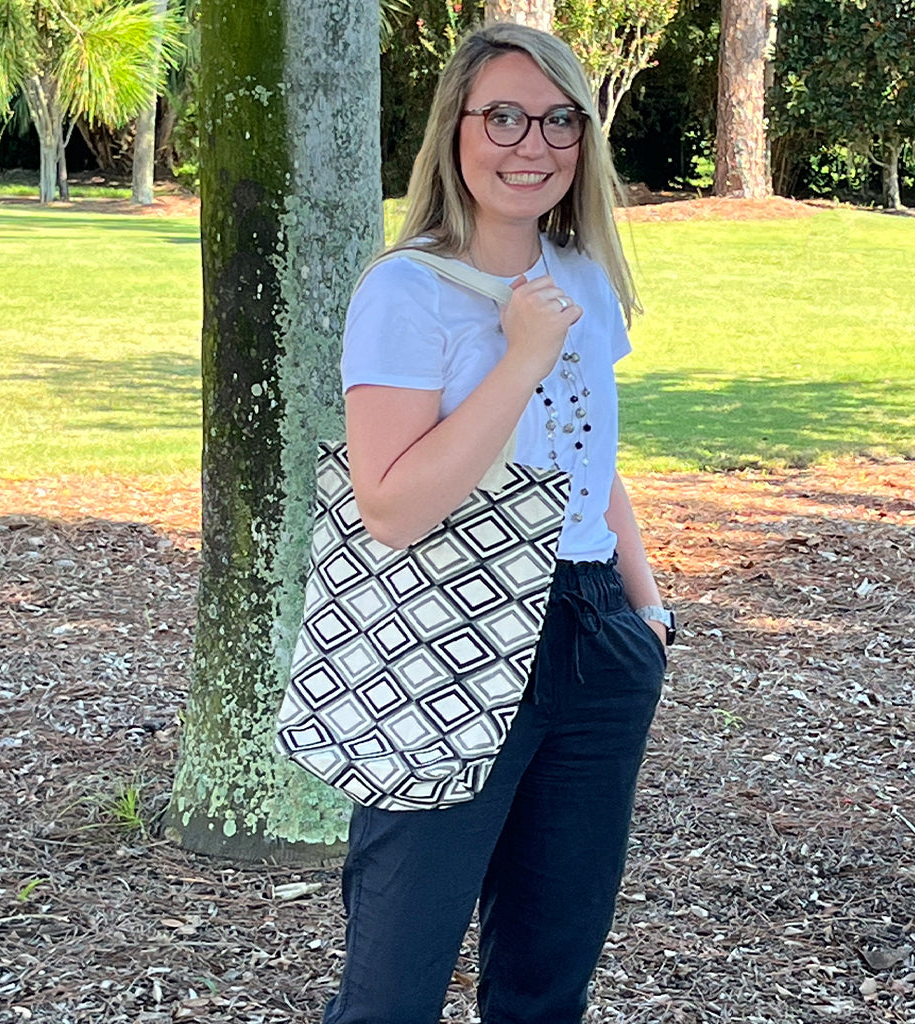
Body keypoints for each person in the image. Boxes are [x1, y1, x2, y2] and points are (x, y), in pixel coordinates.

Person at [324, 21, 672, 1024]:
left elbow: (590, 460)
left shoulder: (585, 281)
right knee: (393, 987)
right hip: (451, 636)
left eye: (559, 119)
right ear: (456, 131)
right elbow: (388, 505)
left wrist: (646, 614)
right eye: (504, 116)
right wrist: (519, 354)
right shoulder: (406, 291)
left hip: (594, 634)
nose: (533, 143)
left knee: (544, 981)